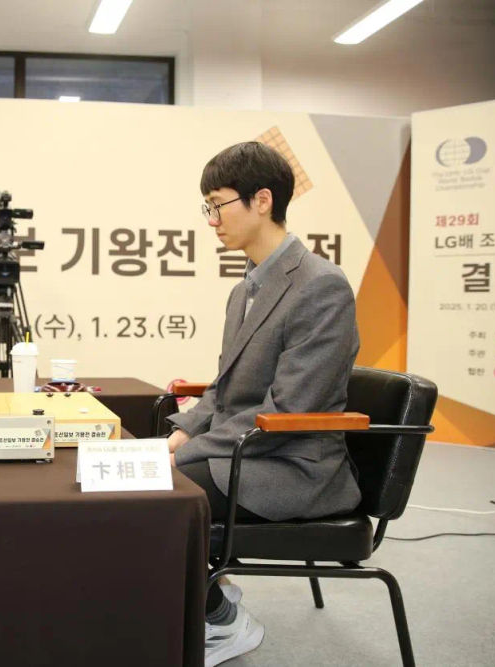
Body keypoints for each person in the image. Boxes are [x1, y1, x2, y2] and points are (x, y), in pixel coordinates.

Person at [166, 142, 362, 666]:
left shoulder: (321, 285)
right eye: (207, 207)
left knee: (160, 495)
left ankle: (223, 622)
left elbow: (289, 409)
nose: (211, 220)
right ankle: (210, 594)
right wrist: (181, 435)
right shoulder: (245, 289)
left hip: (292, 463)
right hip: (249, 448)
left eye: (217, 204)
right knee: (151, 477)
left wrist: (184, 455)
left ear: (262, 201)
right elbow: (224, 387)